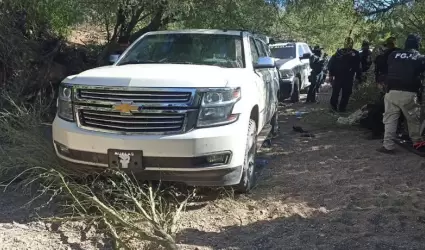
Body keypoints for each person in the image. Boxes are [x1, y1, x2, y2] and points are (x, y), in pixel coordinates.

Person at [377, 33, 425, 154]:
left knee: (390, 119)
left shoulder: (393, 55)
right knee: (413, 120)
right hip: (409, 93)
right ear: (417, 44)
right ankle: (417, 143)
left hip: (391, 92)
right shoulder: (419, 57)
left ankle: (388, 146)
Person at [328, 37, 362, 112]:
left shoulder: (355, 54)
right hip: (339, 76)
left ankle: (341, 108)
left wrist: (358, 77)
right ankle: (334, 107)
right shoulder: (339, 53)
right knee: (336, 93)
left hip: (348, 77)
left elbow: (358, 66)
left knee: (346, 94)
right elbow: (331, 64)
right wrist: (331, 75)